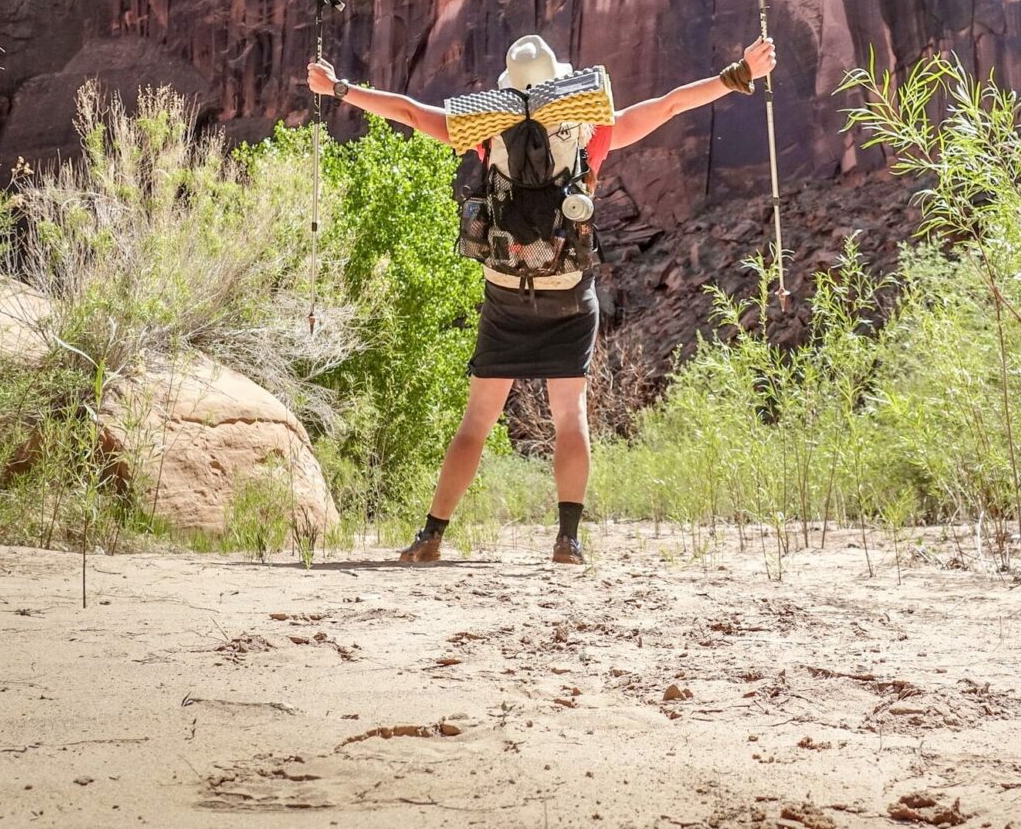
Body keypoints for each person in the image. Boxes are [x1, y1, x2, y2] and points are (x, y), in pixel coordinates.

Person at [306, 31, 776, 565]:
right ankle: (567, 540)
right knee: (570, 417)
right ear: (558, 82)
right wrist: (739, 73)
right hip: (569, 291)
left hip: (506, 291)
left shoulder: (489, 130)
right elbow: (669, 104)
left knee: (476, 421)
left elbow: (410, 113)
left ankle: (432, 535)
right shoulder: (588, 130)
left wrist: (339, 87)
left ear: (509, 88)